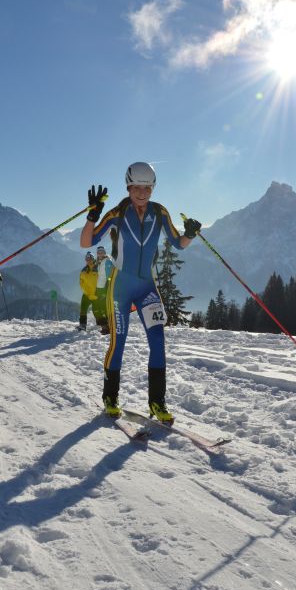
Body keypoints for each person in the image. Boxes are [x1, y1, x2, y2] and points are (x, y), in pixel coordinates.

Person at [80, 162, 201, 421]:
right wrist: (92, 215)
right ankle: (110, 397)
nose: (142, 193)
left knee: (157, 341)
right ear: (128, 186)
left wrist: (190, 234)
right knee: (119, 342)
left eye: (147, 188)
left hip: (147, 287)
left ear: (152, 188)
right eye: (137, 187)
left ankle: (157, 403)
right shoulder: (118, 212)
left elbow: (179, 245)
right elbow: (86, 242)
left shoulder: (160, 212)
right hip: (121, 287)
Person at [94, 245, 114, 334]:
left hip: (104, 288)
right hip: (99, 288)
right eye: (98, 252)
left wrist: (107, 288)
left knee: (103, 308)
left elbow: (110, 276)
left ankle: (107, 327)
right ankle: (105, 326)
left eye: (102, 251)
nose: (100, 253)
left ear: (105, 252)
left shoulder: (107, 262)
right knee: (99, 308)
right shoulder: (99, 262)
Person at [77, 252, 98, 331]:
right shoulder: (84, 270)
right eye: (87, 259)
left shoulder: (98, 267)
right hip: (87, 294)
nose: (88, 260)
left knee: (97, 310)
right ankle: (82, 325)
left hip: (97, 294)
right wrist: (86, 292)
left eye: (90, 258)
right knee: (83, 309)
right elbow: (81, 282)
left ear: (93, 259)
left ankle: (101, 325)